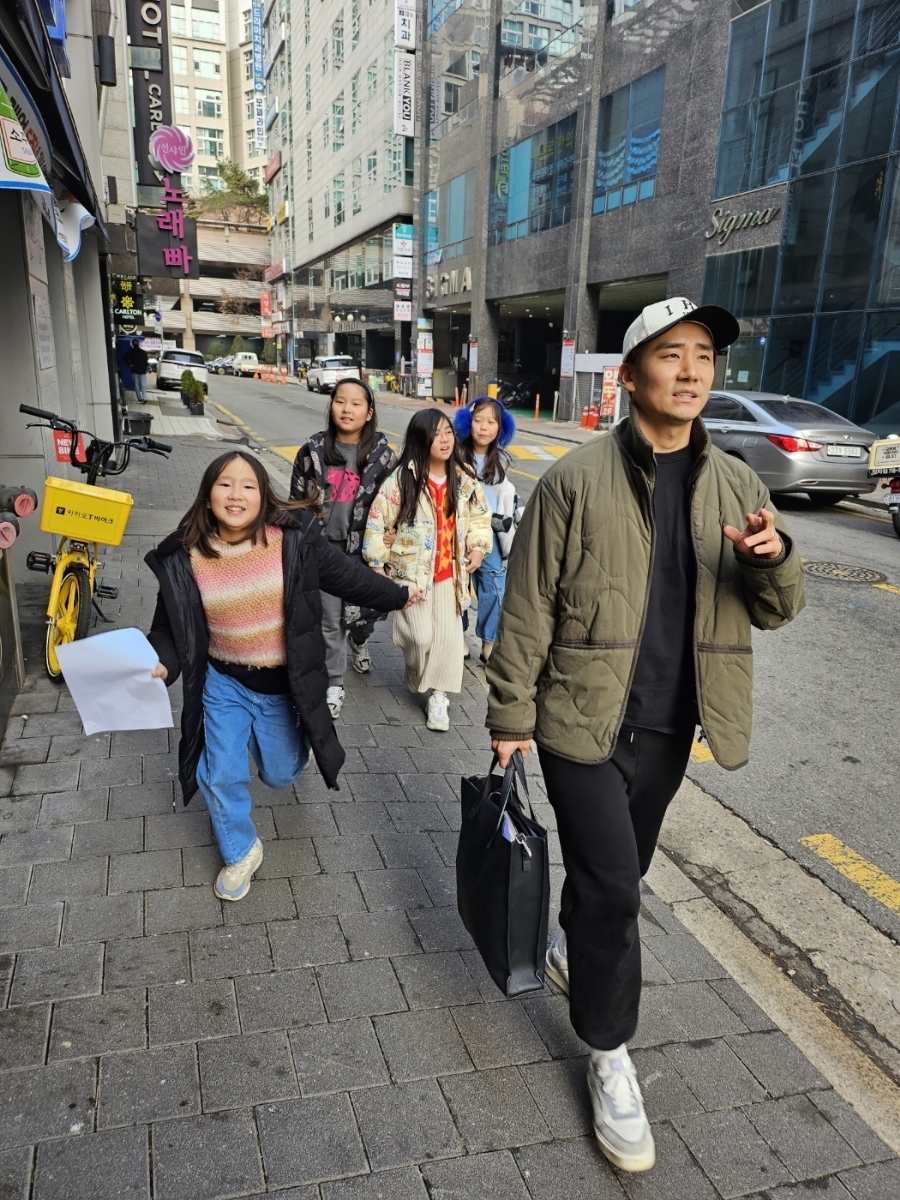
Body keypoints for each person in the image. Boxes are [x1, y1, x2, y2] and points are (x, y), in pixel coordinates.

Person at [485, 297, 806, 1174]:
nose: (693, 370)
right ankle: (609, 1049)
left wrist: (773, 562)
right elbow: (528, 608)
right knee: (618, 891)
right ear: (628, 377)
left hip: (671, 725)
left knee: (616, 875)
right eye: (671, 355)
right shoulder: (575, 480)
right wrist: (510, 715)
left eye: (704, 355)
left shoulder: (739, 485)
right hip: (578, 722)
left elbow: (777, 610)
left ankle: (569, 948)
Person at [145, 450, 421, 901]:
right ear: (208, 493)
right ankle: (240, 851)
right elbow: (167, 628)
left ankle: (297, 751)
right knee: (219, 771)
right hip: (224, 681)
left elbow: (346, 576)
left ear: (262, 494)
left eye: (248, 485)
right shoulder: (186, 553)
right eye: (225, 484)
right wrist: (164, 662)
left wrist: (398, 594)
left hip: (280, 686)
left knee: (279, 773)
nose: (236, 495)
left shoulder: (291, 539)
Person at [364, 408, 492, 731]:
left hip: (451, 575)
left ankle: (439, 697)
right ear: (422, 439)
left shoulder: (463, 479)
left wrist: (477, 547)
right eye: (436, 434)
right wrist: (378, 565)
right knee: (419, 638)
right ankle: (418, 673)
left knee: (449, 641)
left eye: (448, 432)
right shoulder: (402, 480)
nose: (445, 439)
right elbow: (378, 523)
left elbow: (479, 517)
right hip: (412, 577)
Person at [289, 378, 397, 719]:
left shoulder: (383, 457)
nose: (347, 409)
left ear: (369, 413)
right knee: (329, 620)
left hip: (365, 552)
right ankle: (334, 683)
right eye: (340, 401)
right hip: (324, 551)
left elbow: (397, 505)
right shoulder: (313, 451)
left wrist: (392, 535)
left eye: (356, 403)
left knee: (366, 616)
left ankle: (360, 640)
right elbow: (296, 501)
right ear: (331, 405)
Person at [454, 396, 522, 662]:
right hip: (459, 529)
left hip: (490, 531)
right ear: (467, 423)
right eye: (478, 420)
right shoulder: (455, 454)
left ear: (500, 427)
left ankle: (489, 642)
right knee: (456, 584)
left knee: (494, 586)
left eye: (491, 421)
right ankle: (457, 637)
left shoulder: (501, 460)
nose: (484, 427)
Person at [124, 339, 149, 403]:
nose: (135, 344)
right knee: (138, 386)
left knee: (141, 386)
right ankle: (141, 398)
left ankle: (143, 398)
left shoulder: (139, 352)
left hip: (139, 371)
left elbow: (146, 361)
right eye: (134, 343)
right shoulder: (140, 352)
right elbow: (124, 358)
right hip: (137, 371)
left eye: (136, 343)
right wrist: (129, 364)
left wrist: (129, 364)